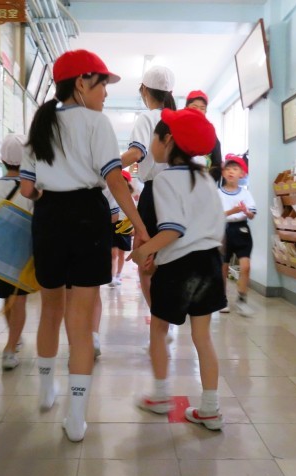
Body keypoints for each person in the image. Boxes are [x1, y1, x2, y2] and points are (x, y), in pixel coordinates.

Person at [19, 49, 148, 442]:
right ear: (81, 82)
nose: (106, 93)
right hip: (88, 217)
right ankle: (76, 418)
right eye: (102, 84)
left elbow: (27, 188)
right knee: (80, 321)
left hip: (49, 218)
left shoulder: (40, 125)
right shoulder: (96, 123)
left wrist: (47, 197)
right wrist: (140, 226)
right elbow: (114, 180)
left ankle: (46, 390)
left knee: (50, 310)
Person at [129, 108, 227, 431]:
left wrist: (145, 251)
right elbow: (211, 228)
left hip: (179, 268)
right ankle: (210, 409)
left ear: (167, 140)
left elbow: (173, 229)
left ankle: (160, 396)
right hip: (209, 264)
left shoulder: (164, 179)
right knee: (203, 336)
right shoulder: (207, 178)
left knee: (159, 329)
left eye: (154, 139)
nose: (151, 145)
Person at [121, 65, 176, 312]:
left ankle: (159, 315)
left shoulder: (147, 118)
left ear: (144, 89)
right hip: (179, 192)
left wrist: (104, 167)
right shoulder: (179, 118)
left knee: (145, 258)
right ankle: (168, 312)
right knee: (170, 255)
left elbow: (136, 153)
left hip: (155, 193)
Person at [0, 134, 33, 370]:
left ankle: (14, 339)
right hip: (23, 253)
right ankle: (11, 348)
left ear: (2, 159)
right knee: (19, 300)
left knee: (6, 300)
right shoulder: (31, 189)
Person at [218, 153, 256, 316]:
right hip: (223, 231)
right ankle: (222, 300)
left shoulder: (245, 194)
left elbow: (252, 215)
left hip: (242, 230)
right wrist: (232, 211)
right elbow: (215, 215)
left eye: (235, 169)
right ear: (223, 173)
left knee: (246, 266)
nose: (231, 171)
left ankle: (242, 300)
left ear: (242, 174)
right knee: (223, 268)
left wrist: (246, 212)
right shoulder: (218, 193)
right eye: (228, 169)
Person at [185, 90, 223, 183]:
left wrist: (206, 181)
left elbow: (217, 165)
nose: (198, 111)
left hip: (205, 184)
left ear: (205, 111)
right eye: (194, 107)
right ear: (186, 108)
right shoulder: (179, 130)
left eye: (202, 108)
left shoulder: (211, 134)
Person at [109, 170, 135, 288]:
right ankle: (112, 276)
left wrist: (134, 228)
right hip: (113, 225)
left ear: (127, 182)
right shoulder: (111, 194)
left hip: (125, 226)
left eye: (123, 179)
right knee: (113, 253)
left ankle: (118, 274)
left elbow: (133, 214)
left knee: (121, 253)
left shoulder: (129, 197)